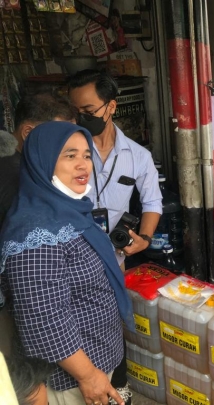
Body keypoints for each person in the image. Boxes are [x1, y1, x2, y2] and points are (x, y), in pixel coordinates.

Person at [0, 121, 133, 405]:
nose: (83, 165)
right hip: (71, 378)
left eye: (86, 155)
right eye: (69, 155)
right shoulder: (35, 234)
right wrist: (87, 376)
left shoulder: (67, 210)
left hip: (95, 360)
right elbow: (45, 319)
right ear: (43, 161)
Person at [68, 69, 162, 405]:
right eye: (76, 111)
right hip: (72, 254)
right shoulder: (68, 153)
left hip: (113, 255)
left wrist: (145, 238)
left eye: (89, 111)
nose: (81, 117)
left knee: (110, 320)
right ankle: (85, 383)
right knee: (74, 322)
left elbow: (152, 202)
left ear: (111, 107)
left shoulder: (137, 156)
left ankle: (116, 383)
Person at [0, 92, 77, 356]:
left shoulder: (29, 171)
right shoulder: (16, 181)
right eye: (60, 137)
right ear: (28, 132)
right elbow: (36, 302)